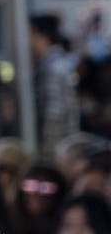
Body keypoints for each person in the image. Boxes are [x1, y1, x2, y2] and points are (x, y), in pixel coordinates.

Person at [32, 16, 81, 157]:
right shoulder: (55, 64)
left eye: (29, 34)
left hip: (56, 153)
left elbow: (52, 116)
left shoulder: (52, 68)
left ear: (42, 36)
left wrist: (46, 157)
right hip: (63, 151)